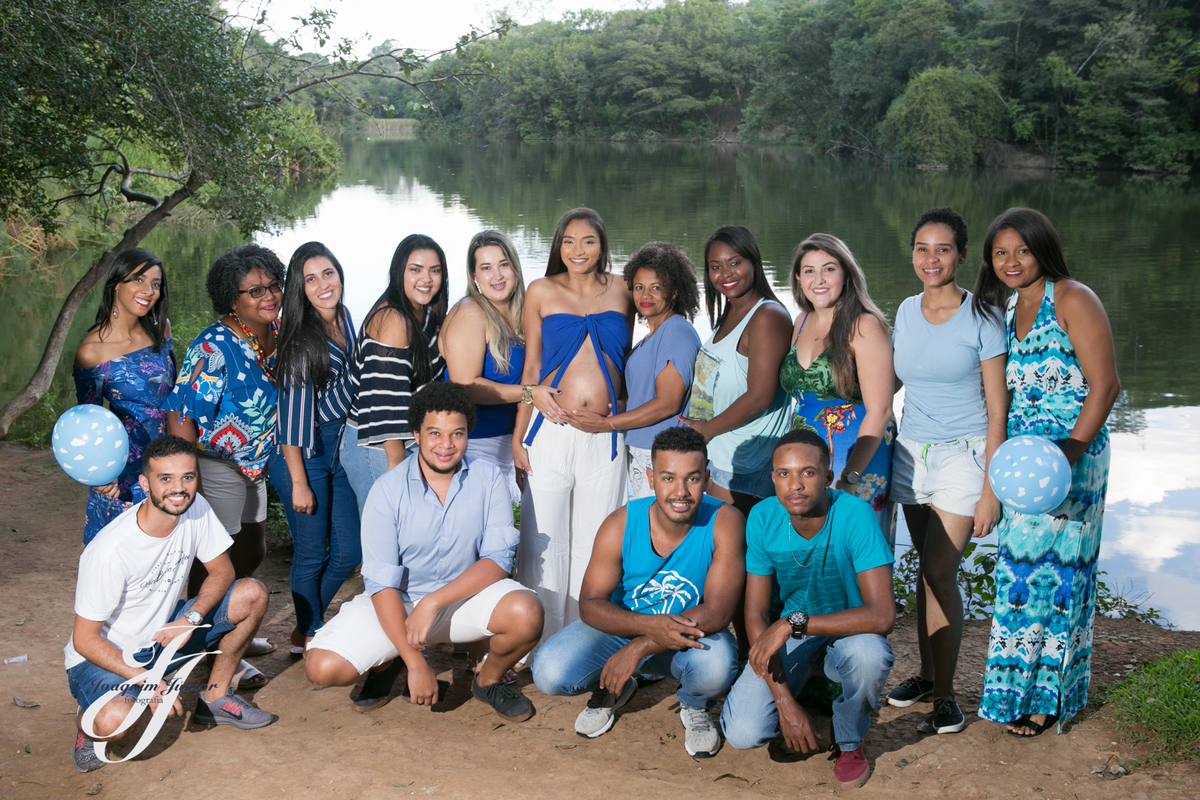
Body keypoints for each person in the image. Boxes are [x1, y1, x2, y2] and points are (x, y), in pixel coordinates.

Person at [304, 382, 544, 721]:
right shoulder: (387, 490)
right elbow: (381, 583)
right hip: (399, 603)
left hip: (461, 599)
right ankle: (391, 660)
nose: (445, 445)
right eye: (434, 433)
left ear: (467, 434)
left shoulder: (488, 478)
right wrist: (416, 663)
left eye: (457, 434)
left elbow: (498, 561)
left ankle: (488, 681)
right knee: (322, 667)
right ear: (416, 434)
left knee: (527, 612)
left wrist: (433, 602)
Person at [973, 207, 1119, 737]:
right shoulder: (1009, 307)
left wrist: (1068, 456)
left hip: (1071, 459)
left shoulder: (1072, 298)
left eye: (1022, 250)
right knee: (1020, 572)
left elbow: (1104, 386)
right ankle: (1012, 692)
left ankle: (1049, 700)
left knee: (1061, 580)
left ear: (1043, 250)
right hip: (1023, 467)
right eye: (1000, 253)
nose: (1011, 262)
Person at [66, 435, 274, 774]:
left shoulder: (196, 508)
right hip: (105, 657)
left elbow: (223, 571)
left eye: (187, 477)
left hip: (164, 636)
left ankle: (216, 697)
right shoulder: (109, 552)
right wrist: (146, 680)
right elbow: (84, 640)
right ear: (145, 483)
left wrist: (191, 617)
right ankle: (88, 718)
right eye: (166, 479)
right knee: (115, 722)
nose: (178, 489)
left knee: (251, 593)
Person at [533, 427, 744, 757]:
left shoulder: (724, 520)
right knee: (549, 672)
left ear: (706, 477)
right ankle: (611, 687)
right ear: (650, 477)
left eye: (692, 478)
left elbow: (717, 612)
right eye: (668, 478)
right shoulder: (620, 523)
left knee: (718, 663)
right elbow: (590, 605)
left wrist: (640, 648)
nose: (680, 491)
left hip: (686, 636)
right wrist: (644, 629)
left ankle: (694, 704)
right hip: (624, 629)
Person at [884, 209, 1008, 734]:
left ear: (960, 255)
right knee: (922, 573)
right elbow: (887, 383)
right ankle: (926, 674)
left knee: (939, 571)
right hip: (911, 452)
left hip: (964, 454)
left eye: (941, 249)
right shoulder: (906, 311)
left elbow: (998, 408)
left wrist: (991, 489)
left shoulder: (982, 316)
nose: (930, 259)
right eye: (921, 248)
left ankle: (945, 695)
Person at [720, 429, 895, 789]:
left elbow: (882, 615)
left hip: (847, 634)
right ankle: (803, 705)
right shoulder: (763, 518)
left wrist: (792, 623)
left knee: (869, 654)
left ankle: (849, 740)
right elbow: (754, 614)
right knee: (742, 732)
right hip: (796, 639)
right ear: (772, 478)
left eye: (808, 473)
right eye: (784, 473)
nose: (794, 485)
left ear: (829, 477)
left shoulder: (855, 515)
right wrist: (784, 703)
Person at [514, 208, 635, 649]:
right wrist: (518, 435)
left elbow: (628, 360)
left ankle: (586, 642)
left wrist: (620, 409)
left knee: (597, 539)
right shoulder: (541, 290)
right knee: (541, 539)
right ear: (557, 246)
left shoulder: (623, 288)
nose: (578, 250)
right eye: (568, 241)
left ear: (602, 244)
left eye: (587, 241)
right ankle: (536, 638)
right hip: (550, 427)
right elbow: (530, 368)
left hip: (603, 435)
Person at [166, 243, 285, 685]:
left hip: (254, 465)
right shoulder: (214, 346)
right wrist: (186, 479)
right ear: (231, 300)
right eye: (253, 291)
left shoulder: (276, 332)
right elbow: (181, 414)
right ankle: (203, 649)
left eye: (272, 285)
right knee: (215, 562)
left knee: (252, 549)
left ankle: (231, 620)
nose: (267, 295)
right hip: (216, 465)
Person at [267, 242, 361, 656]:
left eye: (329, 273)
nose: (324, 284)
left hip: (335, 447)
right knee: (310, 554)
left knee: (349, 550)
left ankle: (307, 623)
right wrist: (300, 483)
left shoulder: (343, 317)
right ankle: (310, 634)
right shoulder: (303, 343)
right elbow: (290, 422)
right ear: (299, 289)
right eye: (311, 279)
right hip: (301, 454)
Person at [779, 233, 895, 539]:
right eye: (809, 271)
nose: (819, 279)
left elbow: (881, 410)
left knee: (853, 549)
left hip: (856, 453)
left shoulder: (864, 326)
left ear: (846, 275)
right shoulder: (801, 321)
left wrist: (850, 476)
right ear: (798, 279)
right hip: (805, 455)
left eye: (829, 269)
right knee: (810, 550)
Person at [567, 241, 702, 500]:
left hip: (665, 456)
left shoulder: (675, 331)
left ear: (674, 291)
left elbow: (668, 404)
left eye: (656, 288)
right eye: (639, 287)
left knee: (658, 531)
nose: (645, 296)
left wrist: (607, 424)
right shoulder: (650, 338)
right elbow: (644, 393)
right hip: (643, 451)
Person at [681, 226, 792, 518]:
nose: (726, 274)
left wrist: (706, 429)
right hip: (722, 451)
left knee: (736, 554)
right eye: (716, 267)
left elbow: (760, 397)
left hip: (748, 461)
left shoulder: (767, 316)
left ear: (754, 262)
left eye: (735, 262)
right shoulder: (731, 311)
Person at [73, 248, 176, 545]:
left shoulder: (161, 330)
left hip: (168, 464)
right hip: (122, 474)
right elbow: (88, 423)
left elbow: (172, 398)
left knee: (165, 562)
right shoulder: (92, 351)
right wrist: (100, 475)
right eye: (139, 280)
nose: (149, 291)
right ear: (116, 283)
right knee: (119, 564)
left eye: (156, 284)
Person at [340, 234, 448, 508]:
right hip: (379, 447)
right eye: (415, 269)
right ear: (399, 271)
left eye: (434, 270)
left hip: (406, 440)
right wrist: (397, 467)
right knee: (387, 538)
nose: (426, 278)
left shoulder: (422, 311)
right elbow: (386, 404)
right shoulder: (393, 321)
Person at [442, 230, 549, 500]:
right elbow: (464, 386)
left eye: (504, 264)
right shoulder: (470, 313)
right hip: (474, 443)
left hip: (513, 440)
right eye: (486, 268)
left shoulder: (524, 313)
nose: (497, 276)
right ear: (474, 276)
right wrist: (530, 393)